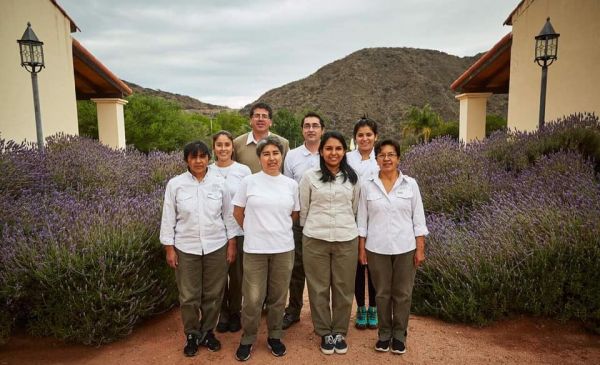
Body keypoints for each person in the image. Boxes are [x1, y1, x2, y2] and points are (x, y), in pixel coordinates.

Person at [159, 141, 237, 357]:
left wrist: (231, 244)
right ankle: (192, 334)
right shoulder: (175, 185)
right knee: (188, 296)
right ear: (186, 160)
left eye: (203, 156)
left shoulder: (219, 183)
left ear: (208, 158)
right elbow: (168, 218)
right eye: (194, 157)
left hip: (216, 246)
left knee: (213, 294)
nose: (199, 161)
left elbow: (228, 215)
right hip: (186, 247)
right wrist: (169, 248)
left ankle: (208, 332)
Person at [356, 139, 428, 355]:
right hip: (376, 248)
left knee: (403, 293)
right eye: (382, 155)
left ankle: (399, 335)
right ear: (376, 159)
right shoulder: (367, 185)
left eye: (391, 154)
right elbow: (362, 220)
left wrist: (420, 248)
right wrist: (362, 248)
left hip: (405, 248)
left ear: (398, 158)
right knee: (382, 294)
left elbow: (418, 218)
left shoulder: (411, 184)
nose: (386, 159)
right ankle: (384, 334)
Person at [232, 136, 299, 361]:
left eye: (275, 153)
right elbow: (238, 213)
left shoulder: (291, 185)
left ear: (282, 156)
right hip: (255, 249)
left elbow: (294, 214)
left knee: (278, 296)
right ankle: (248, 338)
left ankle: (275, 336)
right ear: (260, 158)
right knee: (252, 298)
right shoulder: (248, 182)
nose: (272, 158)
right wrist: (253, 230)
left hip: (283, 248)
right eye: (266, 154)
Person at [300, 131, 360, 355]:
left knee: (344, 288)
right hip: (315, 239)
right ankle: (325, 331)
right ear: (322, 151)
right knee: (318, 287)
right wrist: (312, 228)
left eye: (338, 149)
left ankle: (340, 331)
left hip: (346, 239)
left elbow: (354, 209)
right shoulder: (309, 177)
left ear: (344, 151)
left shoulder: (352, 178)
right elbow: (304, 209)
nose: (333, 153)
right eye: (329, 149)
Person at [281, 112, 325, 330]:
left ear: (322, 130)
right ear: (302, 130)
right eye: (307, 125)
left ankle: (323, 313)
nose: (311, 129)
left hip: (324, 220)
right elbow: (287, 189)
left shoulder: (330, 153)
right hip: (299, 221)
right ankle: (294, 310)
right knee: (296, 268)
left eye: (315, 125)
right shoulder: (292, 156)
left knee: (323, 270)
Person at [210, 131, 252, 334]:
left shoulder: (243, 171)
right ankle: (222, 314)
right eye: (219, 145)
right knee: (219, 276)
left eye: (227, 144)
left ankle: (235, 313)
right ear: (214, 148)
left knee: (237, 276)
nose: (223, 148)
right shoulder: (207, 171)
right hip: (216, 233)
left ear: (232, 147)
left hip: (239, 231)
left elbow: (249, 201)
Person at [346, 117, 379, 330]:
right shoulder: (347, 158)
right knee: (357, 266)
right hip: (350, 216)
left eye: (369, 134)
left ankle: (374, 308)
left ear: (375, 136)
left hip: (376, 218)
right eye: (360, 135)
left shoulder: (381, 158)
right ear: (355, 137)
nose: (364, 138)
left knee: (374, 265)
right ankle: (361, 308)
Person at [233, 102, 289, 173]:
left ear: (270, 122)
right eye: (257, 116)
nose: (260, 119)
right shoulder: (237, 143)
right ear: (250, 120)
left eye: (264, 116)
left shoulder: (283, 143)